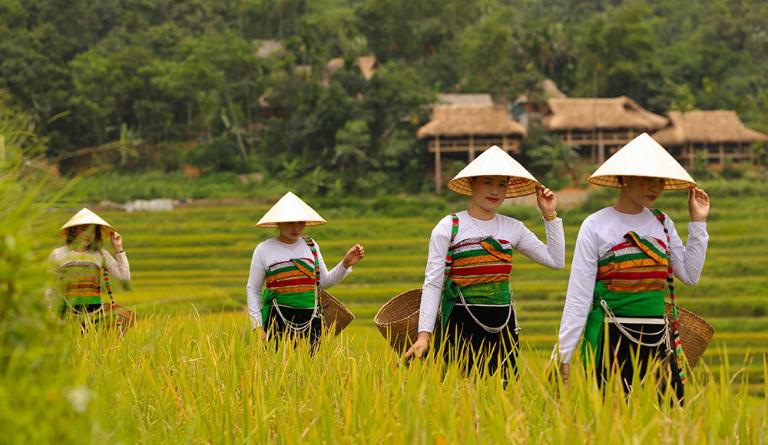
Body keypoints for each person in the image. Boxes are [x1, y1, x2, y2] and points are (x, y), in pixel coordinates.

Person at [556, 133, 710, 401]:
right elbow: (579, 296)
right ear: (624, 178)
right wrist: (563, 354)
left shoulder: (663, 223)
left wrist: (698, 223)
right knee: (612, 419)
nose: (655, 187)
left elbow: (690, 275)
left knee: (666, 421)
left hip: (657, 339)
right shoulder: (596, 225)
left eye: (660, 180)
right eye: (647, 179)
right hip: (611, 337)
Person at [405, 146, 565, 378]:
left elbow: (556, 260)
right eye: (488, 182)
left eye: (502, 184)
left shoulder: (513, 227)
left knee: (502, 393)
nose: (495, 191)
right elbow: (433, 283)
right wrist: (424, 335)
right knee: (458, 392)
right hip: (461, 324)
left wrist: (549, 215)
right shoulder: (449, 226)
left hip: (503, 324)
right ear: (471, 184)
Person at [246, 192, 364, 352]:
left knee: (310, 370)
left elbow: (323, 282)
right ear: (278, 223)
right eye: (290, 223)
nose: (296, 228)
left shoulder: (311, 245)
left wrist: (345, 264)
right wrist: (257, 326)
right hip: (278, 320)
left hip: (310, 322)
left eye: (301, 222)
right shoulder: (264, 249)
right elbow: (253, 289)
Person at [48, 208, 131, 323]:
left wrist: (118, 248)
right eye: (84, 230)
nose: (89, 235)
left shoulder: (100, 254)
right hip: (66, 315)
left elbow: (124, 276)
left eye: (92, 231)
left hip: (95, 316)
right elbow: (49, 287)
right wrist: (50, 314)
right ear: (73, 230)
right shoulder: (58, 254)